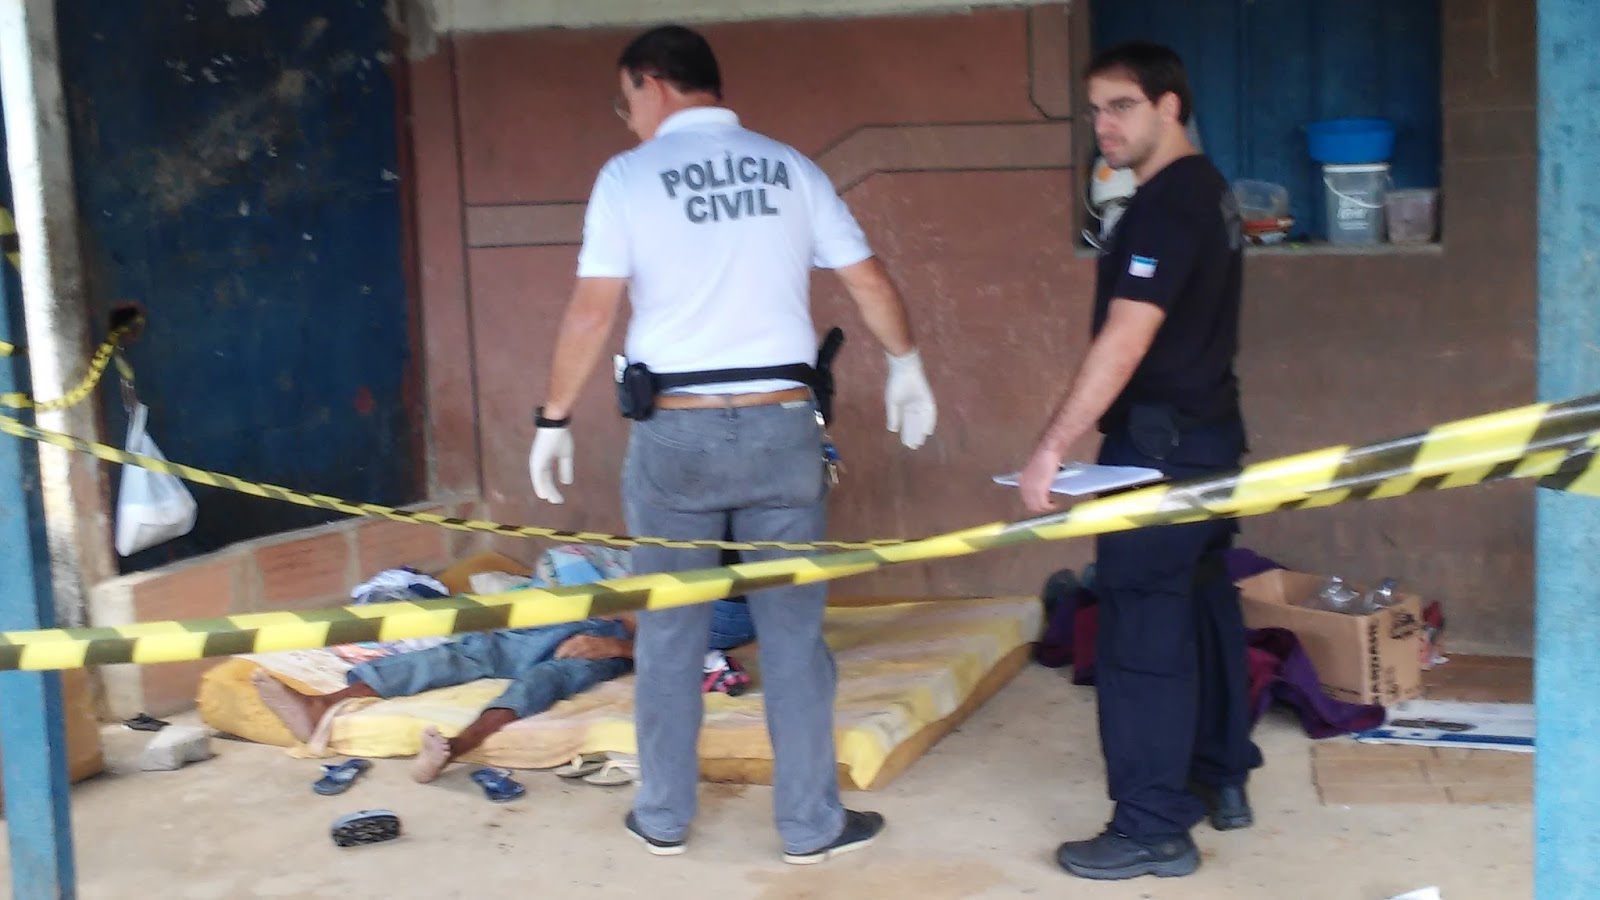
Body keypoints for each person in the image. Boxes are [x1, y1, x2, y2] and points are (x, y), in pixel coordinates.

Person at [526, 24, 937, 865]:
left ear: (652, 84)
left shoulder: (627, 177)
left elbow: (591, 312)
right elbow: (867, 277)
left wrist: (554, 417)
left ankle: (663, 817)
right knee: (793, 635)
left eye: (625, 99)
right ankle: (811, 825)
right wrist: (907, 364)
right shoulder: (793, 168)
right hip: (783, 428)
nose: (626, 117)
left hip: (675, 437)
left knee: (671, 631)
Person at [1014, 41, 1262, 881]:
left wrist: (1053, 447)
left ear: (1169, 107)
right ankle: (1219, 777)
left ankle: (1153, 828)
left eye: (1121, 106)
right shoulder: (1208, 190)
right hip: (1210, 441)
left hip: (1157, 454)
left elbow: (1127, 337)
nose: (1103, 126)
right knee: (1202, 602)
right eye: (1095, 110)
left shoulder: (1167, 206)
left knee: (1141, 631)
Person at [251, 599, 755, 783]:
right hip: (584, 614)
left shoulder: (736, 609)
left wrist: (616, 648)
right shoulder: (677, 532)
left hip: (614, 642)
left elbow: (687, 653)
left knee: (545, 681)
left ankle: (454, 748)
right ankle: (323, 706)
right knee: (473, 651)